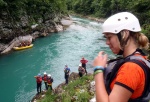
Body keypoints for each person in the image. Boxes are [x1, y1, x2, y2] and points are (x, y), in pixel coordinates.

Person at [93, 12, 150, 102]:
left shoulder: (131, 68)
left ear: (125, 34)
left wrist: (98, 70)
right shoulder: (140, 57)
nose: (107, 42)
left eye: (109, 37)